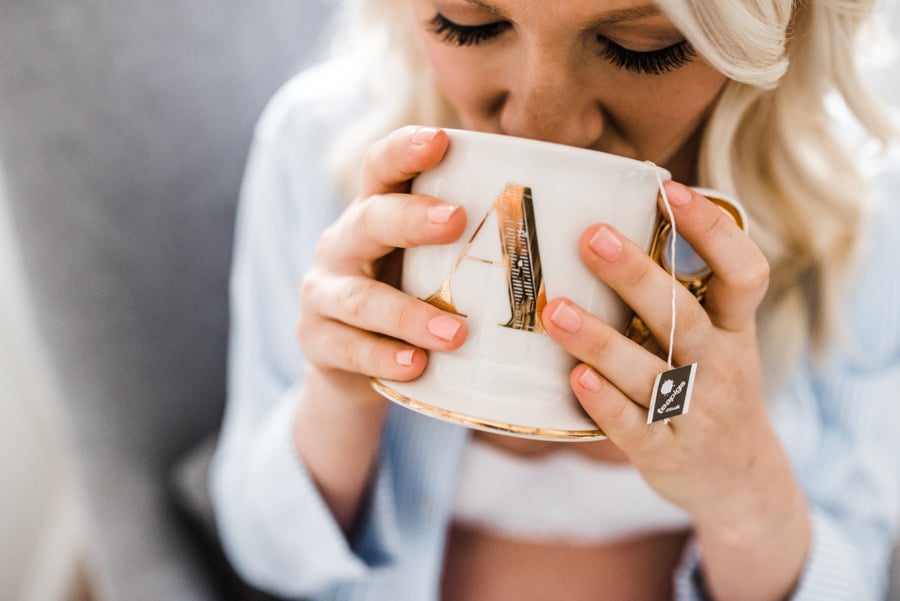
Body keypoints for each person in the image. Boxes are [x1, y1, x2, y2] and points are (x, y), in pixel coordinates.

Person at [209, 0, 900, 599]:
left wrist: (744, 492)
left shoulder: (861, 212)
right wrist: (339, 396)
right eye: (466, 23)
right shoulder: (318, 149)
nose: (540, 123)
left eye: (643, 49)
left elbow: (863, 579)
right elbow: (265, 555)